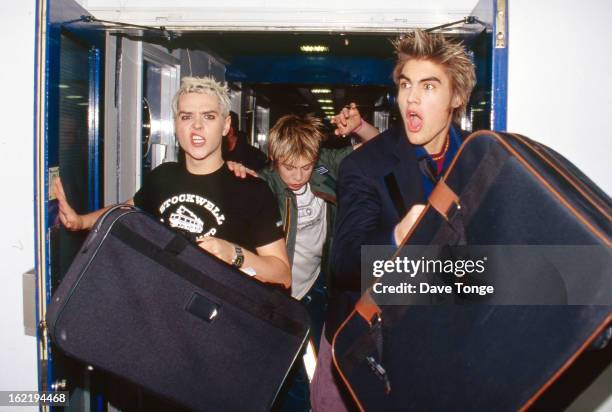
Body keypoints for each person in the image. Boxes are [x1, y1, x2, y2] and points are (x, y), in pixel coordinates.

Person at [310, 29, 476, 411]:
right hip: (364, 348)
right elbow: (345, 262)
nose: (412, 98)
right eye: (406, 84)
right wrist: (396, 238)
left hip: (440, 346)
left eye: (429, 86)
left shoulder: (479, 157)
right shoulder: (364, 166)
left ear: (457, 96)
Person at [54, 76, 290, 288]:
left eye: (208, 116)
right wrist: (80, 221)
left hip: (221, 320)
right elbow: (125, 210)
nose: (197, 126)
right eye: (187, 116)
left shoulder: (250, 188)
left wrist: (233, 253)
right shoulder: (163, 176)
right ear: (176, 124)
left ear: (226, 125)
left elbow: (282, 275)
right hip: (165, 312)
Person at [254, 114, 373, 411]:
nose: (297, 176)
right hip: (278, 292)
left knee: (318, 363)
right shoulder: (263, 183)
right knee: (283, 367)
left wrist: (360, 128)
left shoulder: (324, 167)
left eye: (305, 167)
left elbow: (381, 147)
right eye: (289, 168)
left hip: (317, 285)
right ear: (274, 158)